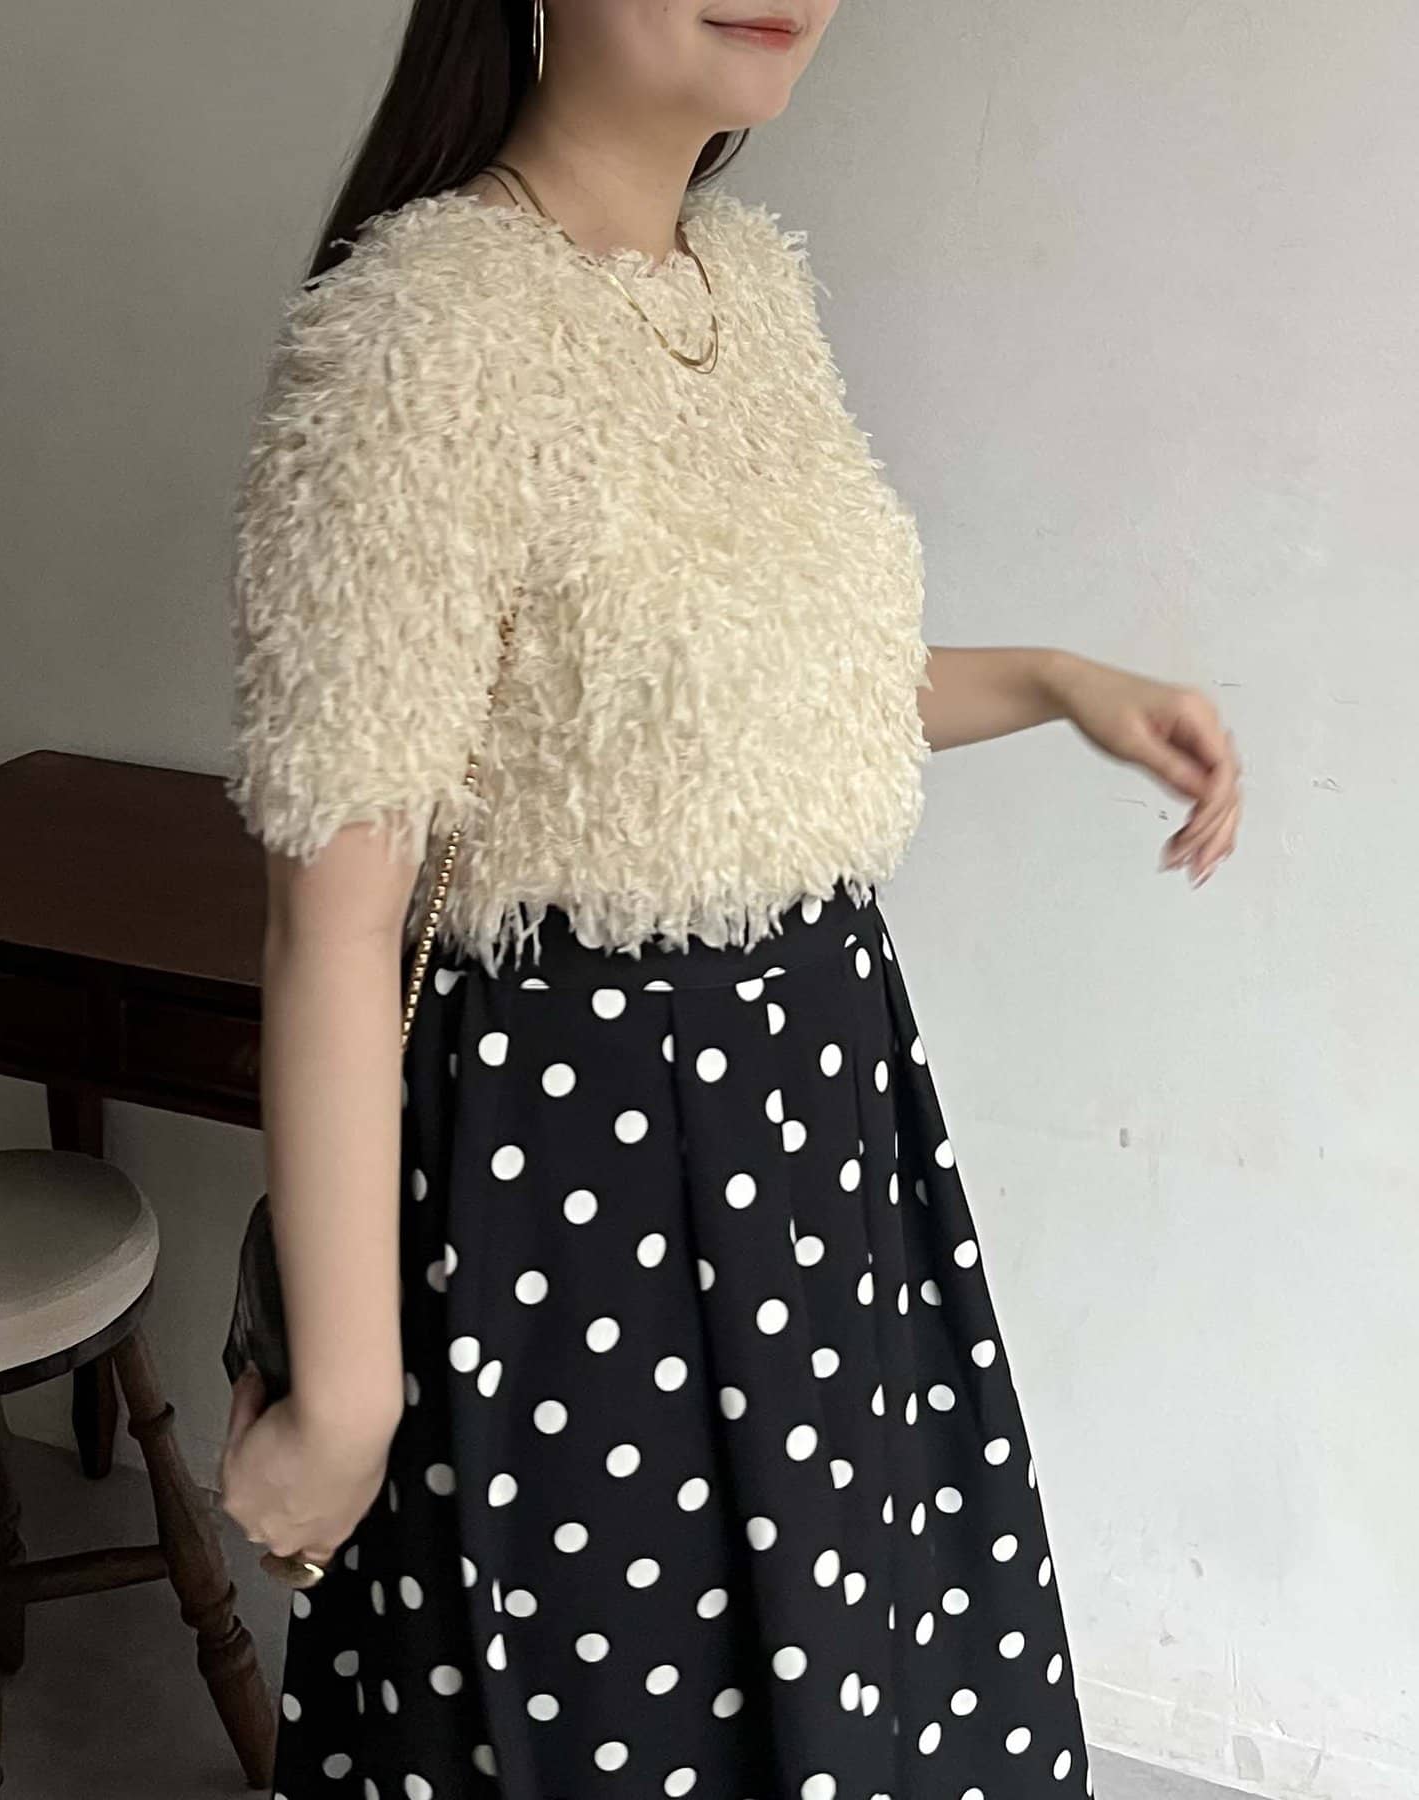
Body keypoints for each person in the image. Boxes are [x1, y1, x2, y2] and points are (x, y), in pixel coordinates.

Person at [215, 2, 1243, 1796]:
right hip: (574, 1179)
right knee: (617, 1717)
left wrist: (1062, 682)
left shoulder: (744, 289)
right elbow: (335, 912)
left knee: (854, 1690)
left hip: (824, 1131)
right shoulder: (419, 332)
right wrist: (352, 1398)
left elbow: (748, 708)